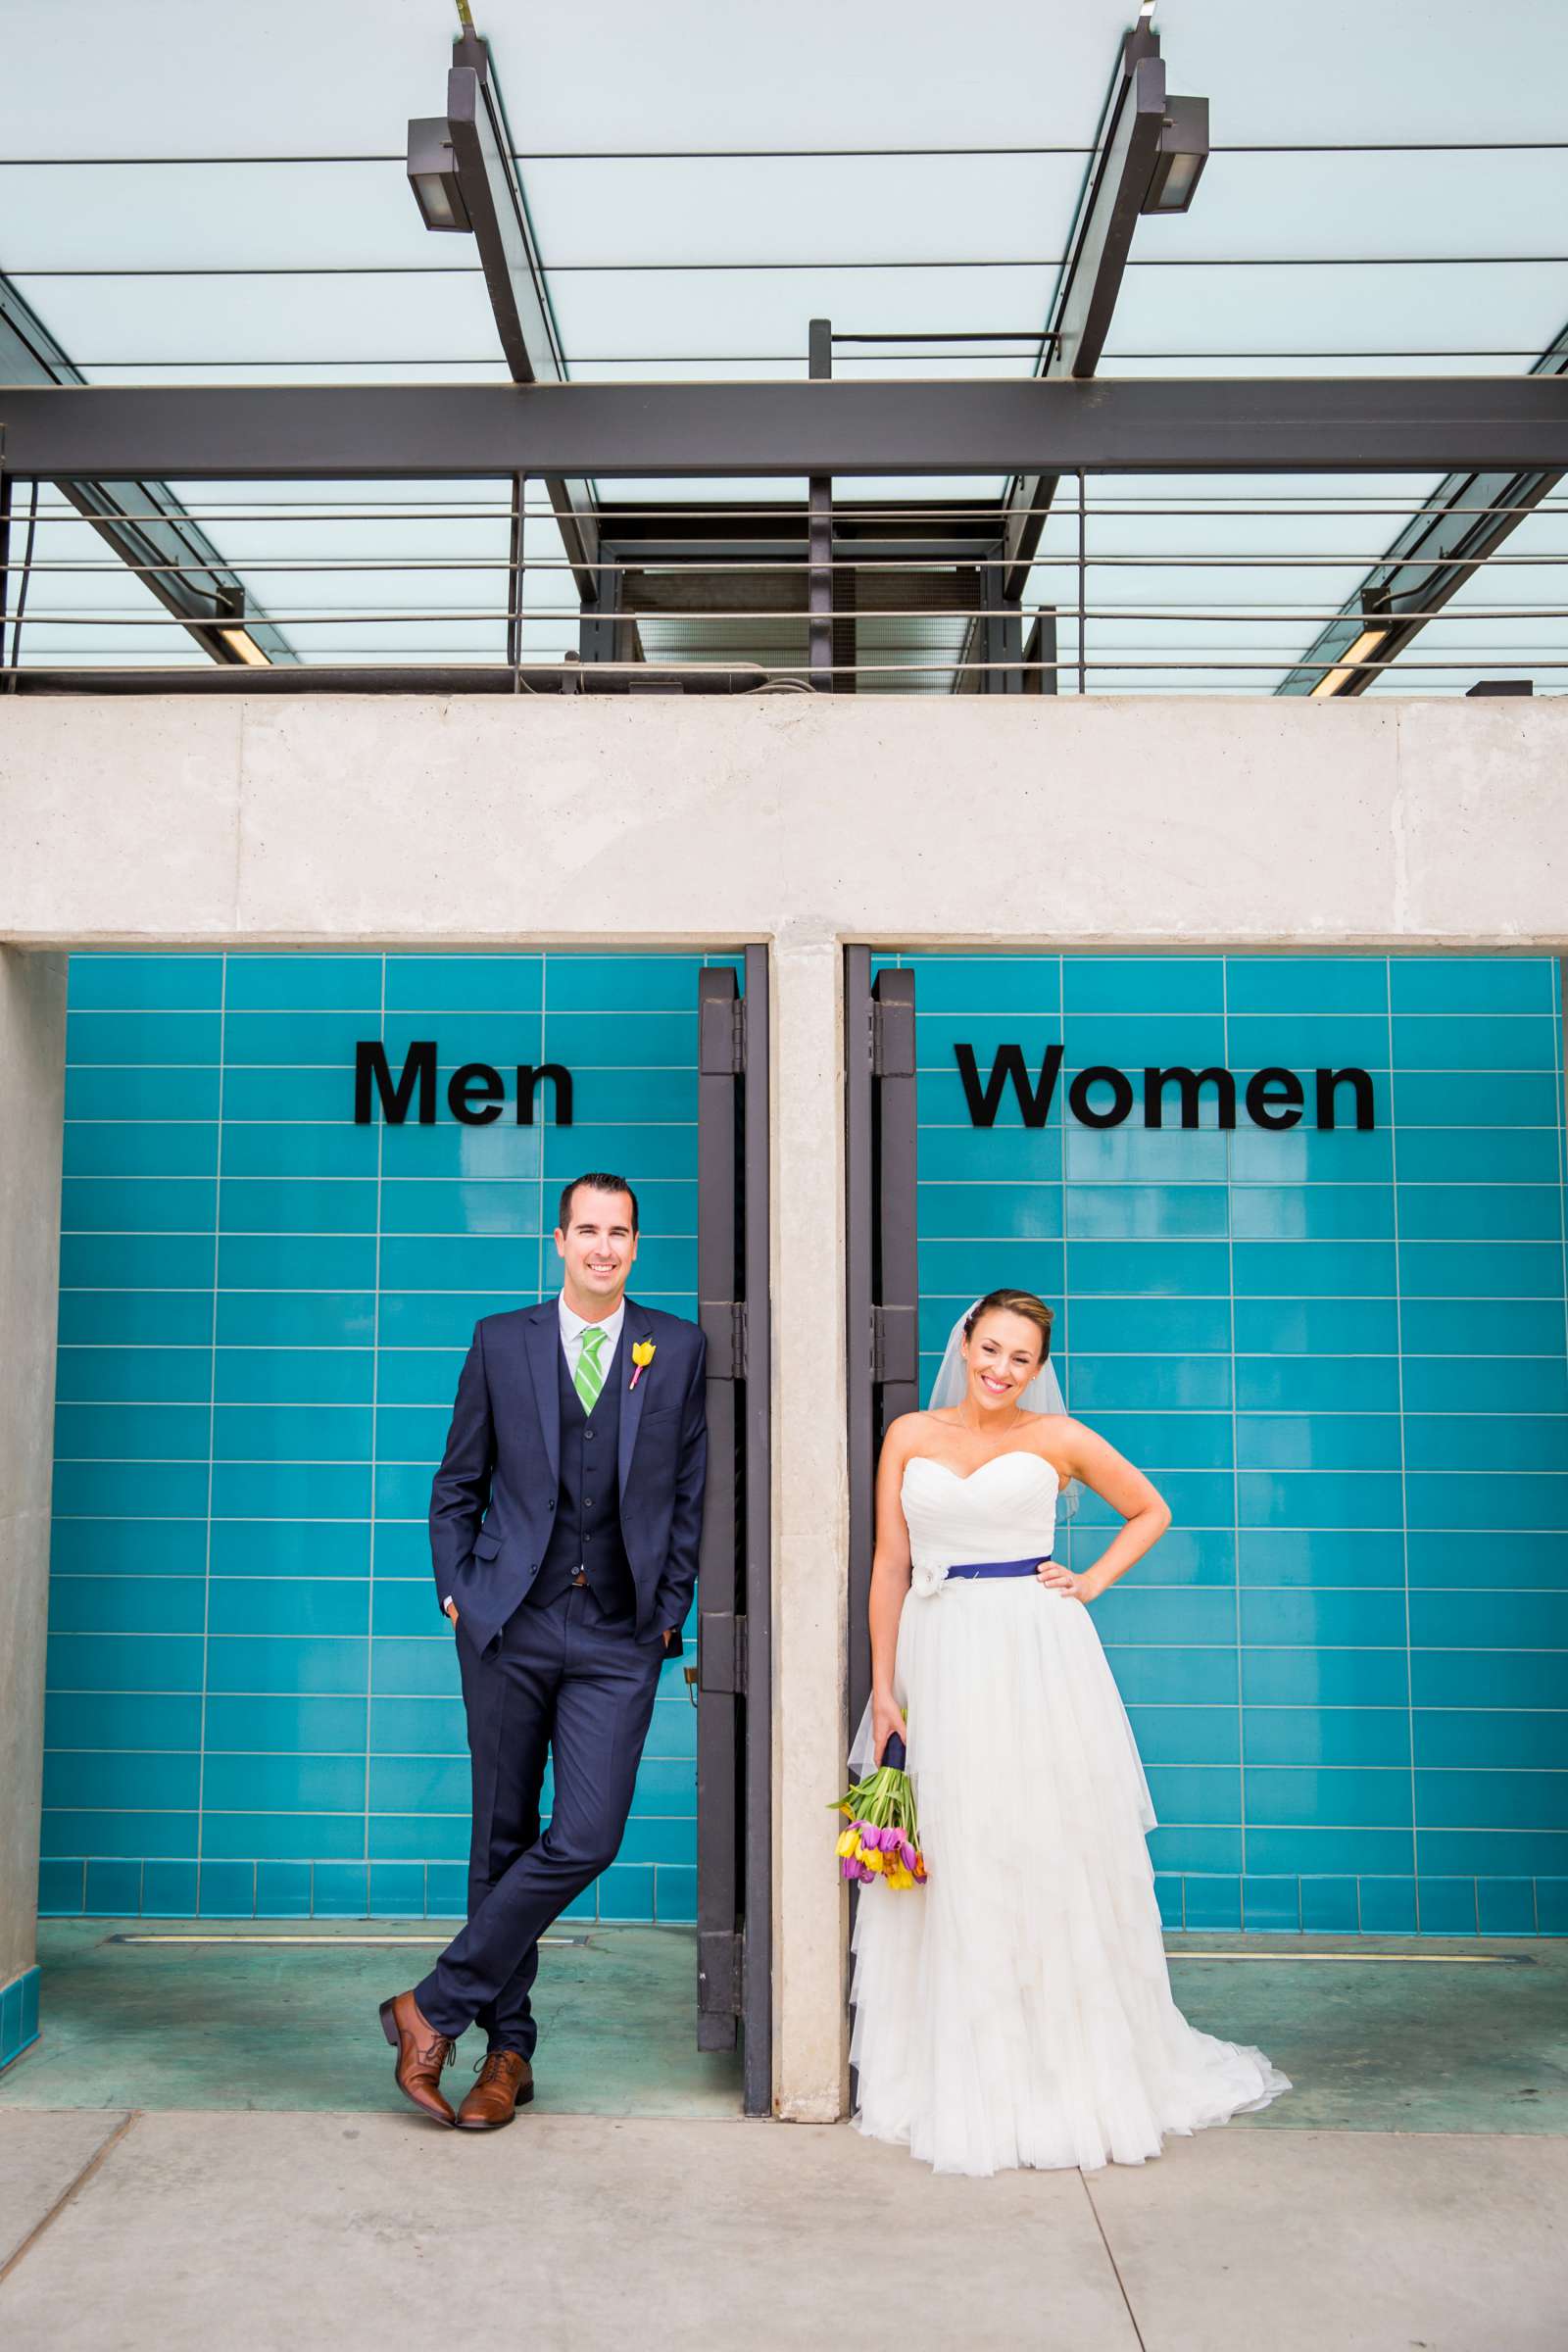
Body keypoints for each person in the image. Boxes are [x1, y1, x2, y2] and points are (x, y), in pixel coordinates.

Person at [850, 1287, 1289, 2178]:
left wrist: (1089, 1582)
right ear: (965, 1341)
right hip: (937, 1655)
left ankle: (1058, 2068)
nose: (1002, 1370)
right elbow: (890, 1562)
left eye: (1022, 1359)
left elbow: (1152, 1509)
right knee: (959, 1848)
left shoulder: (1059, 1438)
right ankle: (961, 2063)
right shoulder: (910, 1434)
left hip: (1035, 1657)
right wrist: (881, 1685)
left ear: (1038, 1369)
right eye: (992, 1349)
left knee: (1039, 1843)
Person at [379, 1172, 707, 2131]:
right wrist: (457, 1591)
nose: (604, 1247)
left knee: (588, 1833)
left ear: (636, 1248)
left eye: (621, 1234)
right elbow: (457, 1482)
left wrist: (665, 1613)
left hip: (617, 1632)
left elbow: (689, 1496)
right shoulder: (500, 1342)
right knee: (501, 1835)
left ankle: (429, 2006)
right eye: (588, 1231)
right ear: (558, 1241)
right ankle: (504, 2054)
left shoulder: (676, 1349)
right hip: (508, 1623)